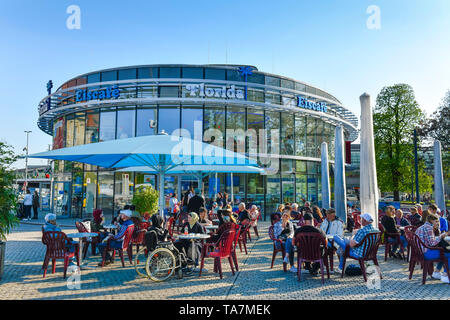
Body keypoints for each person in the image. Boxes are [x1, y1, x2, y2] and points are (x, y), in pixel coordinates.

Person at [415, 213, 450, 283]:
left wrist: (438, 230)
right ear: (431, 220)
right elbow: (432, 243)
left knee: (444, 253)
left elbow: (429, 241)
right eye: (436, 221)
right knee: (448, 254)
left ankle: (436, 272)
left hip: (421, 251)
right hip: (427, 253)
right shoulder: (429, 228)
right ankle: (445, 275)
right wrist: (441, 236)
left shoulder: (423, 226)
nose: (438, 223)